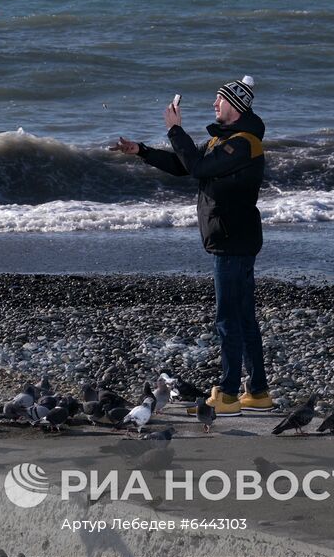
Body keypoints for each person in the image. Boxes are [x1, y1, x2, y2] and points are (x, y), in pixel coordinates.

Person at [113, 76, 270, 417]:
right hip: (234, 240)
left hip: (232, 241)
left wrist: (174, 129)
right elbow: (185, 165)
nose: (214, 105)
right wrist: (142, 151)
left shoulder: (242, 144)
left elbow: (199, 168)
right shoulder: (225, 141)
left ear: (236, 105)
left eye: (219, 100)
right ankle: (257, 391)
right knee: (242, 317)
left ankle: (228, 394)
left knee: (229, 319)